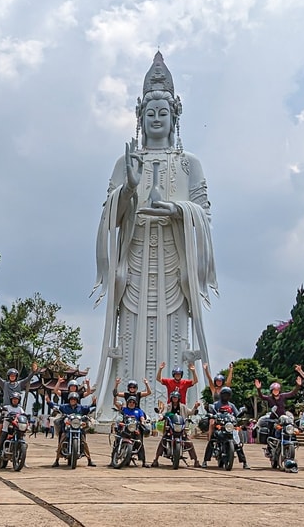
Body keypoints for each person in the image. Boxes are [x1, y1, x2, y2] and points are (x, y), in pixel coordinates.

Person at [92, 53, 219, 424]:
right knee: (130, 338)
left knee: (176, 341)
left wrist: (178, 211)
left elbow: (205, 214)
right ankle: (119, 407)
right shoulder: (125, 161)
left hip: (173, 264)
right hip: (134, 263)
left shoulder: (188, 164)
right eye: (151, 113)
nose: (157, 118)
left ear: (175, 115)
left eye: (164, 112)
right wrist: (128, 190)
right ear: (140, 117)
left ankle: (178, 412)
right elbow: (109, 218)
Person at [202, 386, 248, 469]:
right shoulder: (216, 404)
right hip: (219, 426)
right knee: (212, 441)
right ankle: (205, 461)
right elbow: (212, 412)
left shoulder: (232, 405)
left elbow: (237, 414)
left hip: (229, 426)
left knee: (238, 444)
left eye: (227, 395)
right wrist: (211, 414)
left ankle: (244, 463)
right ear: (221, 395)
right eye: (224, 395)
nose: (225, 396)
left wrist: (240, 416)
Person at [151, 390, 198, 467]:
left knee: (189, 442)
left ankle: (196, 460)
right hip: (170, 427)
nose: (175, 399)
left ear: (178, 398)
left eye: (176, 397)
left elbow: (191, 412)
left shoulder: (183, 407)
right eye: (173, 397)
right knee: (163, 441)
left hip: (181, 428)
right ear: (171, 398)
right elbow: (163, 413)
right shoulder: (168, 406)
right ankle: (156, 460)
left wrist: (195, 407)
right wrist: (161, 417)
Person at [52, 392, 97, 467]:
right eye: (71, 399)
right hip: (67, 428)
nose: (73, 401)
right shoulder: (64, 407)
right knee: (62, 439)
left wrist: (93, 403)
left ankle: (89, 460)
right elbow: (57, 407)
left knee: (84, 441)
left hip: (78, 427)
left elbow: (89, 408)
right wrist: (49, 402)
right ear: (69, 400)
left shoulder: (81, 407)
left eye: (74, 400)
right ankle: (56, 460)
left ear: (77, 400)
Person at [0, 391, 30, 469]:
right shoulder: (7, 407)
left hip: (17, 428)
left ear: (18, 400)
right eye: (13, 399)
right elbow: (2, 411)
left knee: (23, 442)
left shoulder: (20, 408)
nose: (15, 400)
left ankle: (22, 459)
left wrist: (27, 418)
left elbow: (23, 415)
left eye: (16, 399)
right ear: (11, 400)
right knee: (0, 443)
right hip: (6, 428)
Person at [112, 394, 150, 467]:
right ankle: (113, 459)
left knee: (139, 442)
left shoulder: (139, 411)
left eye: (133, 402)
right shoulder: (124, 409)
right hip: (125, 428)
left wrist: (143, 421)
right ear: (127, 402)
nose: (131, 403)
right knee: (117, 440)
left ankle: (144, 461)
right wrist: (115, 395)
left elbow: (142, 418)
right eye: (130, 402)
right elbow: (116, 404)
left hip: (134, 428)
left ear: (135, 403)